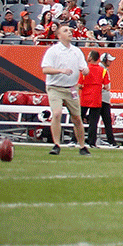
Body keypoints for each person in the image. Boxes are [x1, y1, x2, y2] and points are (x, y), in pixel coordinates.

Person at [41, 26, 89, 155]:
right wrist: (61, 71)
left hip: (71, 88)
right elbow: (45, 69)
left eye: (70, 31)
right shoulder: (53, 51)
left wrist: (85, 70)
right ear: (59, 36)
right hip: (55, 87)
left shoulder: (76, 51)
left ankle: (82, 146)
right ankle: (56, 144)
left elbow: (84, 67)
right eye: (65, 31)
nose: (69, 32)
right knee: (56, 113)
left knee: (77, 118)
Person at [79, 51, 116, 148]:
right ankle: (93, 142)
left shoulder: (86, 69)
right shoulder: (102, 70)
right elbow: (107, 86)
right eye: (109, 61)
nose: (110, 63)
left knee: (79, 120)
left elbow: (79, 84)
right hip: (98, 98)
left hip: (87, 97)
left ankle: (75, 139)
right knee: (96, 121)